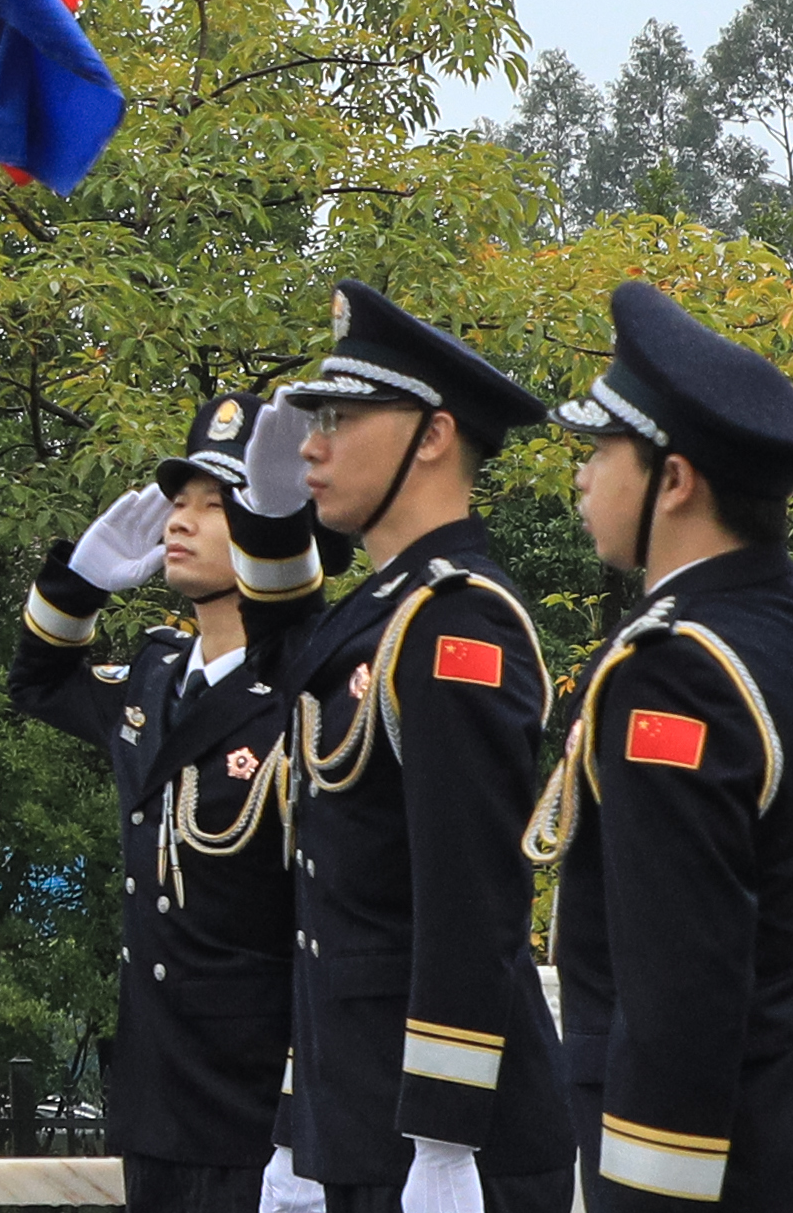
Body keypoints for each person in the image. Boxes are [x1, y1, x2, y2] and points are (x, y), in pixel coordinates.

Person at [523, 279, 793, 1208]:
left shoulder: (671, 667)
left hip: (712, 1174)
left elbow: (680, 986)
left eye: (601, 448)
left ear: (674, 478)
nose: (582, 473)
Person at [266, 284, 570, 1213]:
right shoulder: (378, 611)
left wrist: (444, 1131)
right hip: (358, 1118)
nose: (311, 444)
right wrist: (299, 1120)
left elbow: (469, 895)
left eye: (342, 417)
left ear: (431, 436)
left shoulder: (455, 623)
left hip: (444, 1143)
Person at [11, 391, 334, 1213]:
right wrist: (78, 586)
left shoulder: (310, 692)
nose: (179, 524)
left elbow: (327, 927)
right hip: (156, 1102)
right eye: (176, 505)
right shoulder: (153, 677)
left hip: (258, 1110)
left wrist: (304, 1124)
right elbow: (36, 681)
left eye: (214, 505)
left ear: (274, 530)